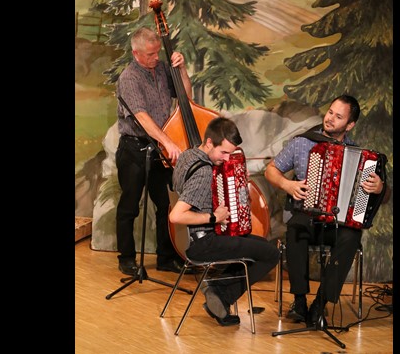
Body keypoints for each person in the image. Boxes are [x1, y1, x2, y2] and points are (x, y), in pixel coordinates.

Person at [264, 94, 389, 325]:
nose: (330, 118)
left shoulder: (361, 156)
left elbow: (384, 196)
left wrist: (379, 187)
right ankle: (299, 301)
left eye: (338, 116)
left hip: (336, 223)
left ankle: (320, 304)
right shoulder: (302, 142)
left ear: (350, 125)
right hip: (307, 217)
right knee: (296, 228)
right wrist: (287, 185)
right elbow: (271, 170)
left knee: (352, 235)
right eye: (330, 112)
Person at [169, 117, 280, 327]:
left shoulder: (189, 155)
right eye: (224, 153)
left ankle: (217, 291)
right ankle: (219, 295)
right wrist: (214, 217)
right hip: (203, 243)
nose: (227, 158)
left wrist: (237, 177)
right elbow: (176, 216)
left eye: (231, 153)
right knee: (271, 254)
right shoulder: (203, 172)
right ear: (210, 142)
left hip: (192, 238)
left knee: (260, 247)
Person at [115, 26, 192, 276]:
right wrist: (168, 142)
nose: (156, 58)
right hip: (134, 149)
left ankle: (166, 258)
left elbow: (186, 98)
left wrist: (181, 69)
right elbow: (142, 117)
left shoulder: (160, 69)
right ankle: (126, 258)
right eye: (150, 54)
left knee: (165, 204)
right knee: (130, 206)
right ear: (136, 54)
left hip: (157, 148)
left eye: (157, 52)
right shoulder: (129, 78)